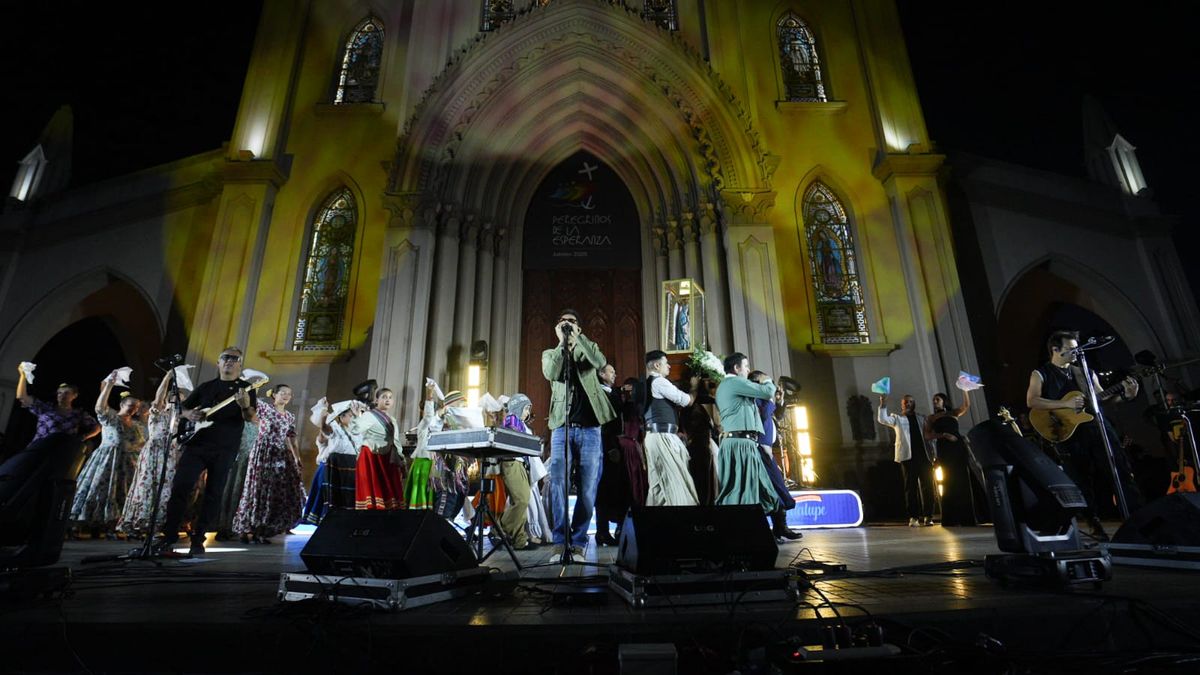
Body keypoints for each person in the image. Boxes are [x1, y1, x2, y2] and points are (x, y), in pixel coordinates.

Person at [1026, 330, 1142, 539]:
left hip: (1097, 427)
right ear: (1055, 349)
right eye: (1071, 349)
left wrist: (1125, 397)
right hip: (1067, 433)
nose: (1076, 353)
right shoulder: (1041, 373)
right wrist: (1065, 403)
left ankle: (1137, 519)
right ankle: (1093, 523)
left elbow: (1101, 400)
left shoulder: (1085, 372)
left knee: (1120, 469)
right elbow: (1032, 401)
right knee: (1080, 480)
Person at [155, 347, 257, 556]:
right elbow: (179, 409)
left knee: (214, 493)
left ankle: (198, 538)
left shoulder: (246, 388)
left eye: (234, 358)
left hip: (225, 448)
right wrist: (188, 413)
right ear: (219, 363)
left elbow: (249, 417)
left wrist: (244, 406)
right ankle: (170, 535)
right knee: (181, 487)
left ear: (240, 364)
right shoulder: (206, 387)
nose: (229, 361)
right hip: (197, 444)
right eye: (225, 357)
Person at [542, 308, 616, 557]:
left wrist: (578, 339)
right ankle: (560, 541)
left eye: (572, 322)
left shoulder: (588, 347)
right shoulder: (550, 354)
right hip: (562, 428)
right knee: (558, 485)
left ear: (580, 327)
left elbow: (599, 362)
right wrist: (563, 344)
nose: (567, 325)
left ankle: (579, 541)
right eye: (562, 322)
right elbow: (551, 373)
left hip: (591, 429)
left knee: (587, 488)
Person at [69, 373, 146, 537]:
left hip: (127, 462)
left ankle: (114, 525)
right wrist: (109, 386)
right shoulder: (111, 417)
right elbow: (100, 407)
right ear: (122, 404)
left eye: (136, 407)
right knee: (99, 488)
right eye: (130, 405)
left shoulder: (137, 425)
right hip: (107, 459)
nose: (133, 409)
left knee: (121, 491)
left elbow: (142, 442)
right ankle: (85, 524)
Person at [233, 384, 304, 544]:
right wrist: (253, 386)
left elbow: (291, 437)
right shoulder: (265, 408)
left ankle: (263, 530)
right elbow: (249, 407)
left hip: (280, 454)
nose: (286, 396)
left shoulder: (289, 417)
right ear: (274, 395)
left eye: (289, 394)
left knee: (273, 490)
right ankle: (246, 528)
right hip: (263, 452)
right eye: (283, 393)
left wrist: (296, 457)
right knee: (257, 489)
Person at [714, 353, 779, 514]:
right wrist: (767, 379)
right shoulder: (734, 382)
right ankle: (739, 530)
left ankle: (750, 529)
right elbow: (767, 391)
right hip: (740, 444)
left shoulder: (731, 384)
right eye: (746, 366)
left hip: (743, 443)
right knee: (741, 492)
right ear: (736, 368)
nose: (749, 370)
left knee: (754, 490)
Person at [118, 373, 182, 537]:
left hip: (170, 454)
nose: (177, 403)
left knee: (166, 488)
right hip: (154, 451)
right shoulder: (157, 412)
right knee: (147, 485)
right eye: (175, 399)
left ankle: (157, 525)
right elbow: (158, 398)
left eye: (180, 400)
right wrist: (166, 379)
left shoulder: (179, 419)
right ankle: (141, 521)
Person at [641, 350, 699, 506]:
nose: (669, 367)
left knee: (659, 484)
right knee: (676, 481)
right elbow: (686, 400)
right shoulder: (659, 382)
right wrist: (694, 387)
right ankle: (682, 521)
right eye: (666, 363)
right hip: (663, 437)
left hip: (653, 436)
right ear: (657, 365)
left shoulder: (647, 383)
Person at [751, 371, 801, 540]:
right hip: (761, 451)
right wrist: (770, 398)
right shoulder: (756, 399)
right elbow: (764, 415)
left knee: (777, 488)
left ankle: (780, 527)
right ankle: (778, 528)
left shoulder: (765, 400)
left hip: (767, 452)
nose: (770, 384)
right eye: (766, 381)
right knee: (773, 489)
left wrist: (780, 401)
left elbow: (775, 417)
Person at [877, 393, 935, 527]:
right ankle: (914, 517)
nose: (908, 404)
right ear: (902, 405)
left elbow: (929, 435)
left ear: (913, 404)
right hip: (908, 457)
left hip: (924, 456)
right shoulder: (897, 418)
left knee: (928, 487)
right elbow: (882, 419)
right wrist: (883, 403)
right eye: (905, 402)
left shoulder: (922, 418)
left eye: (910, 402)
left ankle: (928, 516)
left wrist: (934, 454)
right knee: (911, 487)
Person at [303, 399, 362, 524]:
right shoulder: (335, 429)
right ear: (341, 417)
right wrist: (324, 415)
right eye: (351, 415)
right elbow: (324, 431)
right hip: (334, 467)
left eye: (354, 415)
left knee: (347, 497)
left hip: (351, 468)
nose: (353, 418)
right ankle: (326, 522)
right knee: (329, 496)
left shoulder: (358, 432)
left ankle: (344, 521)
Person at [349, 385, 405, 510]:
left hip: (387, 457)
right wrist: (355, 416)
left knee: (388, 489)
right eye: (384, 397)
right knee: (375, 487)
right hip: (372, 456)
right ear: (376, 400)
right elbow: (356, 429)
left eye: (390, 397)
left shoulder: (392, 420)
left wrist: (401, 458)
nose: (388, 400)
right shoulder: (370, 415)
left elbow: (395, 440)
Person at [924, 390, 974, 526]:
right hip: (944, 449)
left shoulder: (953, 413)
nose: (935, 402)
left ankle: (967, 517)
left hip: (958, 447)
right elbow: (927, 436)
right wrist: (944, 435)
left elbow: (966, 405)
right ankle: (952, 518)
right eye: (934, 400)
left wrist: (965, 390)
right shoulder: (931, 418)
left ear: (944, 401)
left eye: (937, 399)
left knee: (962, 479)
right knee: (948, 480)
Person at [594, 363, 631, 545]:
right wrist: (610, 448)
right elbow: (603, 424)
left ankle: (614, 530)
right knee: (605, 490)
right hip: (607, 446)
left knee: (617, 489)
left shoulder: (612, 392)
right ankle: (602, 531)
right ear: (601, 374)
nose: (615, 374)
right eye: (611, 371)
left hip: (616, 444)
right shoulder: (599, 393)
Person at [495, 394, 533, 549]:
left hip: (520, 463)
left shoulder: (520, 422)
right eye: (525, 408)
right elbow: (516, 440)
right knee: (522, 500)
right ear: (517, 407)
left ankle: (520, 540)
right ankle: (499, 529)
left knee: (520, 503)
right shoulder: (512, 420)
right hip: (512, 462)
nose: (527, 412)